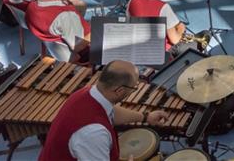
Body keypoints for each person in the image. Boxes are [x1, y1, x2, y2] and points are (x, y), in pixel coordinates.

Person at [39, 60, 167, 161]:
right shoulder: (94, 134)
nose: (135, 89)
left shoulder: (88, 92)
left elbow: (110, 112)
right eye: (135, 87)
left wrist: (145, 117)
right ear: (119, 91)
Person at [127, 0, 197, 56]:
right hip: (161, 52)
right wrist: (181, 29)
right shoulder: (163, 7)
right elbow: (175, 40)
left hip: (139, 47)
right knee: (194, 45)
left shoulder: (132, 1)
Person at [25, 0, 91, 63]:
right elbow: (78, 46)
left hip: (55, 46)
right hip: (81, 55)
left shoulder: (31, 6)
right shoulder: (65, 16)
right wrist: (95, 32)